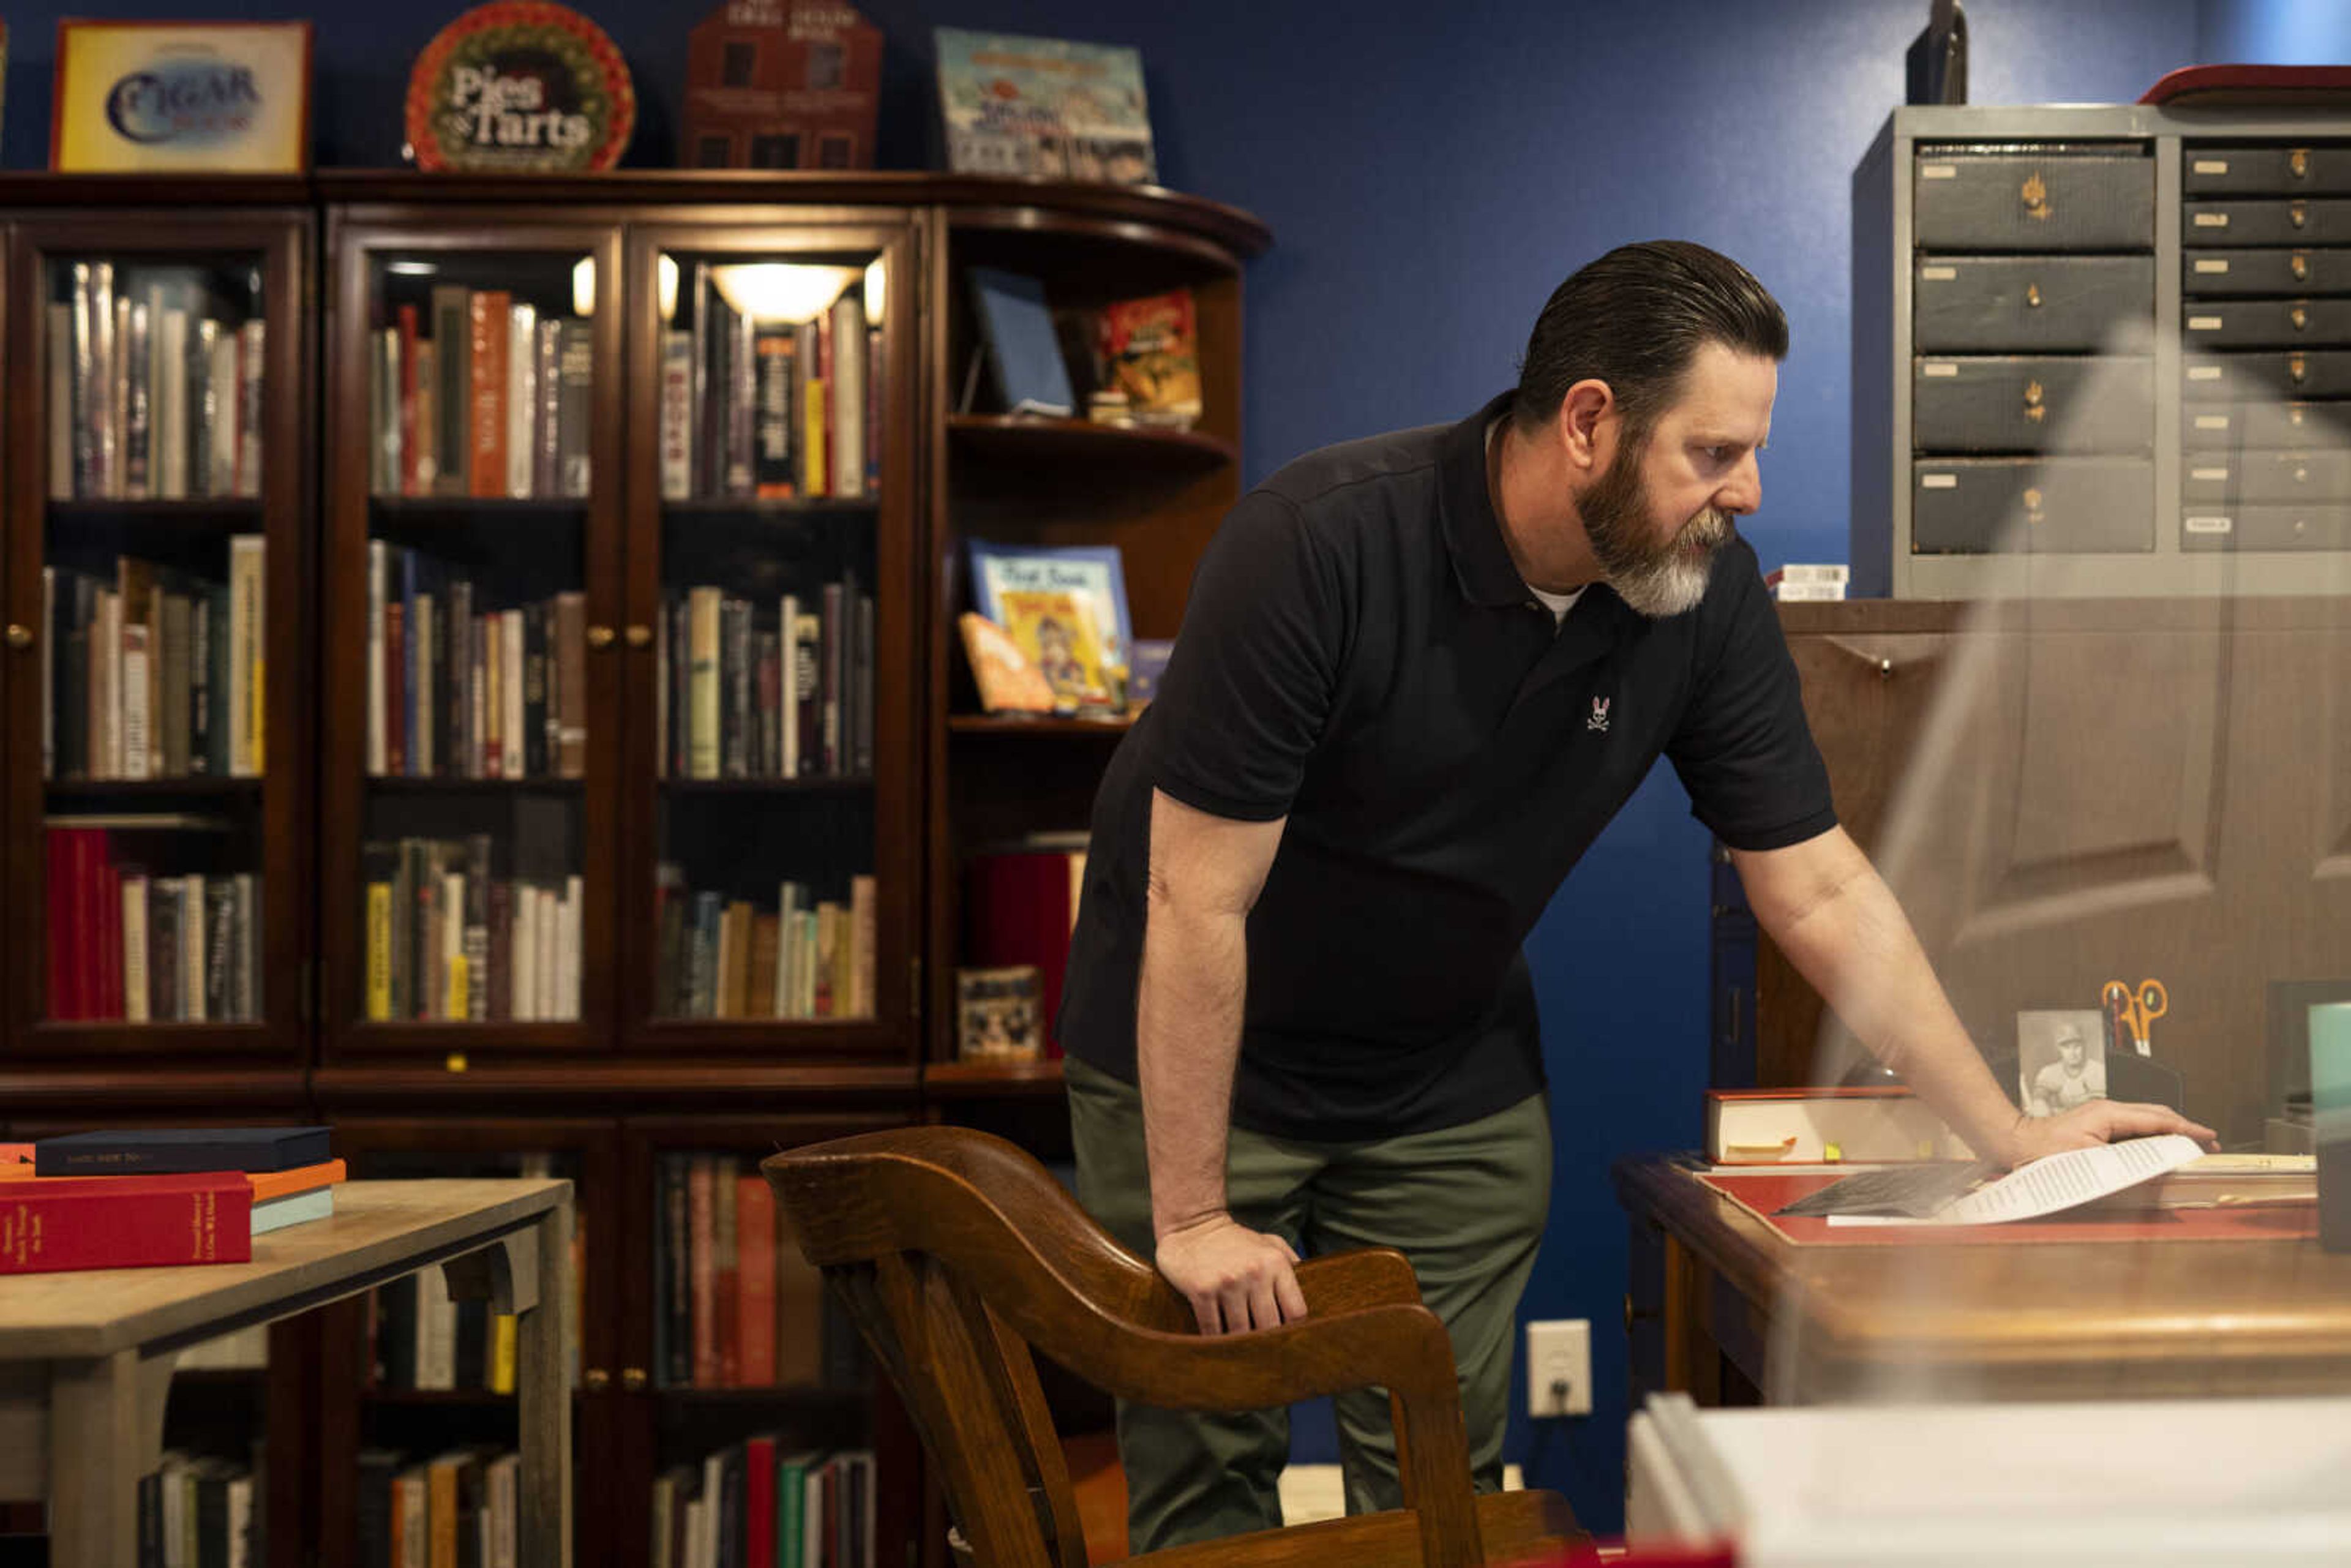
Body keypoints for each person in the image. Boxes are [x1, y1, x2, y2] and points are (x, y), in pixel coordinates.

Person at [1054, 240, 2216, 1551]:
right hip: (1215, 1061)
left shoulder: (1702, 594)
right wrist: (1197, 1214)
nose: (1754, 490)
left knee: (1436, 1485)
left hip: (1449, 1078)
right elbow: (1198, 901)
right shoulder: (1316, 543)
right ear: (1591, 423)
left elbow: (1819, 881)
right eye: (1714, 453)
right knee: (1209, 1482)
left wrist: (2007, 1132)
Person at [2030, 1024, 2108, 1117]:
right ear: (2059, 1049)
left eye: (2077, 1047)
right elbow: (2039, 1097)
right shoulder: (2050, 1072)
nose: (2073, 1053)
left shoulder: (2098, 1070)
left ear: (2084, 1046)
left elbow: (2102, 1110)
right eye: (2067, 1048)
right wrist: (2041, 1105)